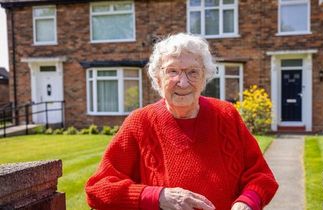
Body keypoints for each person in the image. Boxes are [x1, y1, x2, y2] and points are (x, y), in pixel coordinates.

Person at [85, 33, 278, 210]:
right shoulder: (140, 122)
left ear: (204, 78)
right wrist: (158, 196)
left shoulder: (226, 114)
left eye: (193, 72)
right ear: (158, 79)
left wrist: (247, 202)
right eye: (172, 71)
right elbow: (98, 189)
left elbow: (261, 176)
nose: (183, 82)